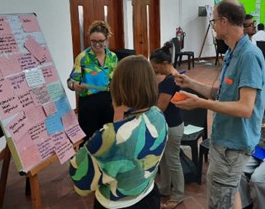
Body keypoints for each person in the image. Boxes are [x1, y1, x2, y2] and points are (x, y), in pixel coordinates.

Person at [172, 0, 265, 209]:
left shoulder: (249, 56)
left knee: (219, 202)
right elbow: (223, 94)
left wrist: (202, 103)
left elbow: (245, 108)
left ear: (224, 21)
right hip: (224, 138)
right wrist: (191, 83)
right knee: (229, 194)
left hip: (233, 146)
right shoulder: (232, 52)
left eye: (214, 20)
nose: (212, 25)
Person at [69, 55, 168, 209]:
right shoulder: (157, 115)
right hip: (148, 195)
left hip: (118, 204)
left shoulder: (112, 136)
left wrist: (79, 153)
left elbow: (81, 181)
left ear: (118, 87)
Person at [67, 20, 118, 140]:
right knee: (90, 140)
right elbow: (70, 82)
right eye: (93, 41)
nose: (97, 44)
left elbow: (117, 80)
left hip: (108, 102)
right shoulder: (83, 58)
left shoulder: (113, 57)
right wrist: (74, 85)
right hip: (89, 104)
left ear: (106, 40)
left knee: (108, 138)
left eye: (100, 41)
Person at [150, 43, 184, 209]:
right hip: (165, 125)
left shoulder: (171, 80)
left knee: (172, 160)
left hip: (172, 125)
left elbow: (160, 107)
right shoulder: (169, 77)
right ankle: (165, 187)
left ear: (164, 64)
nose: (155, 70)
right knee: (163, 159)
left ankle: (178, 194)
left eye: (156, 67)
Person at [239, 82, 265, 209]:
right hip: (260, 148)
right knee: (240, 171)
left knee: (257, 178)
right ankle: (246, 203)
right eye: (262, 100)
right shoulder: (257, 107)